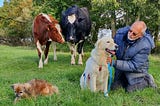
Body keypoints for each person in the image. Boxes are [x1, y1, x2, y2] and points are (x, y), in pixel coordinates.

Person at [107, 21, 157, 92]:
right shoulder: (119, 34)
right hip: (121, 68)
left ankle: (147, 80)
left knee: (129, 90)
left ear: (141, 35)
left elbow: (133, 65)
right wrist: (111, 53)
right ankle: (124, 79)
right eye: (130, 30)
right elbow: (113, 47)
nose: (130, 34)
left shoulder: (145, 45)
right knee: (115, 88)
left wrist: (114, 62)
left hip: (136, 71)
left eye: (134, 34)